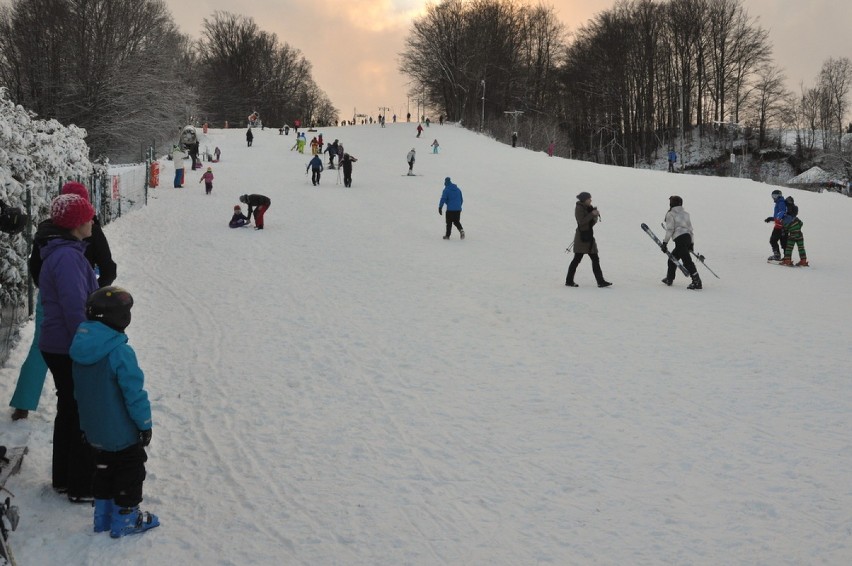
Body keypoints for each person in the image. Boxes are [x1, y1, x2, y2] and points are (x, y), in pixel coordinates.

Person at [12, 182, 117, 421]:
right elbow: (109, 267)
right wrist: (96, 294)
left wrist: (49, 288)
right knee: (77, 358)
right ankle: (79, 412)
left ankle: (23, 403)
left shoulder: (47, 233)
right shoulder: (88, 231)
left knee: (41, 347)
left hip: (48, 299)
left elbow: (35, 268)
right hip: (78, 300)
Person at [70, 286, 159, 538]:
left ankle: (103, 517)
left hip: (94, 429)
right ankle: (126, 518)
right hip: (122, 432)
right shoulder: (120, 352)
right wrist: (144, 424)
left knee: (103, 469)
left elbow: (80, 393)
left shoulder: (79, 348)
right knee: (131, 470)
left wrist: (86, 426)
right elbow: (134, 394)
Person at [35, 193, 99, 502]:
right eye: (88, 218)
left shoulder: (64, 252)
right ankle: (80, 484)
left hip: (59, 343)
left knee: (69, 410)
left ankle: (63, 477)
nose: (92, 221)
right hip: (68, 344)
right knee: (79, 412)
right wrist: (88, 345)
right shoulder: (68, 257)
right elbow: (75, 308)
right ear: (76, 225)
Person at [565, 192, 611, 288]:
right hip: (581, 238)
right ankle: (569, 281)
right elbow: (581, 222)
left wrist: (594, 216)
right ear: (584, 199)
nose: (590, 200)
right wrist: (592, 214)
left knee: (595, 259)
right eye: (589, 198)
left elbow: (590, 224)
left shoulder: (588, 208)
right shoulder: (579, 208)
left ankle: (601, 281)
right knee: (577, 259)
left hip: (589, 237)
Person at [660, 195, 702, 290]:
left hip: (680, 239)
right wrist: (691, 244)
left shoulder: (670, 214)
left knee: (687, 261)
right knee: (672, 259)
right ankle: (669, 279)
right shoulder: (685, 214)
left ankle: (697, 282)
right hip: (687, 238)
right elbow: (690, 230)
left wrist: (665, 243)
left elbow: (670, 229)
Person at [780, 202, 807, 266]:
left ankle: (787, 260)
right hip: (800, 235)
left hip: (792, 236)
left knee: (789, 248)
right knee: (801, 248)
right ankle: (803, 261)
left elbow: (785, 228)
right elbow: (801, 223)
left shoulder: (786, 220)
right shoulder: (797, 219)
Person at [765, 189, 787, 261]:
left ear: (779, 196)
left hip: (780, 227)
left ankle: (777, 255)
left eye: (775, 196)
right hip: (781, 226)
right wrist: (771, 218)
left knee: (773, 240)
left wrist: (777, 219)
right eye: (772, 196)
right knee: (783, 241)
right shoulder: (779, 202)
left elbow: (782, 212)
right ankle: (787, 256)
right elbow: (779, 214)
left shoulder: (781, 202)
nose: (773, 197)